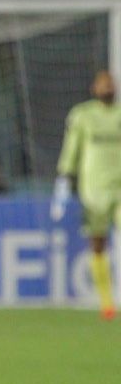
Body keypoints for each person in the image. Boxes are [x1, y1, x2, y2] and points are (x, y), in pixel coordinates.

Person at [52, 69, 121, 320]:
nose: (107, 87)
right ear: (94, 88)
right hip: (94, 191)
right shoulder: (82, 116)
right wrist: (62, 185)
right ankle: (107, 304)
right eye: (102, 83)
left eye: (110, 83)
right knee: (98, 243)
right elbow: (71, 151)